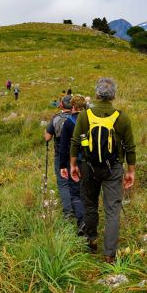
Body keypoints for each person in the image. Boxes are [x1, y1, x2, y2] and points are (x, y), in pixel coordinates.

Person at [69, 77, 136, 264]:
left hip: (88, 166)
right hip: (113, 168)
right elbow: (130, 147)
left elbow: (75, 142)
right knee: (112, 210)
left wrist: (73, 164)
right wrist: (131, 171)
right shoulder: (121, 117)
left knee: (89, 203)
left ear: (97, 93)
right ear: (113, 95)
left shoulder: (84, 115)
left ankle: (91, 240)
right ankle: (109, 255)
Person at [59, 95, 87, 232]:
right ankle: (91, 222)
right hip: (90, 162)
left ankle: (82, 221)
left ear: (73, 107)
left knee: (75, 192)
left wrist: (62, 166)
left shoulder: (69, 123)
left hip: (74, 162)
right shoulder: (91, 120)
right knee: (88, 192)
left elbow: (63, 147)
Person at [44, 96, 73, 218]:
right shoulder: (77, 118)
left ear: (61, 105)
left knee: (63, 183)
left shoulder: (56, 118)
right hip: (76, 155)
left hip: (60, 154)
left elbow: (47, 138)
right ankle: (78, 206)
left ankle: (68, 211)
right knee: (76, 180)